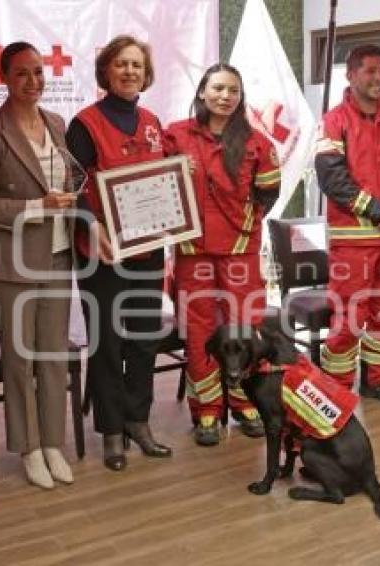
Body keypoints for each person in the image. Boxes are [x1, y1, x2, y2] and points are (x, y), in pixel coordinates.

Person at [0, 42, 77, 489]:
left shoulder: (56, 123)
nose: (32, 81)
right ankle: (28, 447)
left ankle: (52, 442)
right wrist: (37, 205)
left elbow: (66, 184)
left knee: (52, 356)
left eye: (38, 72)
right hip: (10, 260)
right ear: (3, 77)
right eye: (22, 74)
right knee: (19, 359)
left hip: (57, 252)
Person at [65, 35, 171, 470]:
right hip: (101, 252)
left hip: (147, 247)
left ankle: (138, 420)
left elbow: (165, 181)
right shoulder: (84, 123)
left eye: (136, 65)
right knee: (107, 342)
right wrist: (93, 226)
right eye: (121, 64)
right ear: (106, 71)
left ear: (146, 74)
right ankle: (111, 430)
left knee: (145, 337)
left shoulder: (151, 121)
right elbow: (72, 187)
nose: (129, 71)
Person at [164, 63, 280, 445]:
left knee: (245, 327)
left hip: (239, 247)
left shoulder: (257, 142)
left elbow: (268, 192)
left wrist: (246, 221)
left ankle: (245, 404)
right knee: (199, 330)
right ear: (202, 92)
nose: (225, 96)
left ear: (240, 96)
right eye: (217, 88)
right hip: (191, 248)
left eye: (233, 90)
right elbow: (156, 186)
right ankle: (207, 411)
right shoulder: (175, 135)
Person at [315, 44, 380, 407]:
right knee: (349, 316)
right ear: (351, 74)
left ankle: (378, 379)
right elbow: (332, 177)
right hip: (354, 239)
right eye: (370, 71)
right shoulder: (335, 119)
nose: (378, 77)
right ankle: (337, 386)